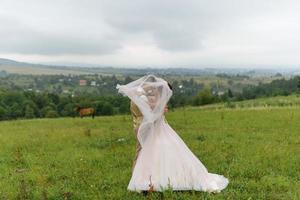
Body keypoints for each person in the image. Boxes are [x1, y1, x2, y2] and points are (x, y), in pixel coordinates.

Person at [116, 75, 229, 192]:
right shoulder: (147, 96)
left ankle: (150, 179)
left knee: (151, 152)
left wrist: (159, 111)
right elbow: (149, 113)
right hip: (150, 128)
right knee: (150, 152)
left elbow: (153, 114)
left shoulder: (151, 97)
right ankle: (146, 179)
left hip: (156, 129)